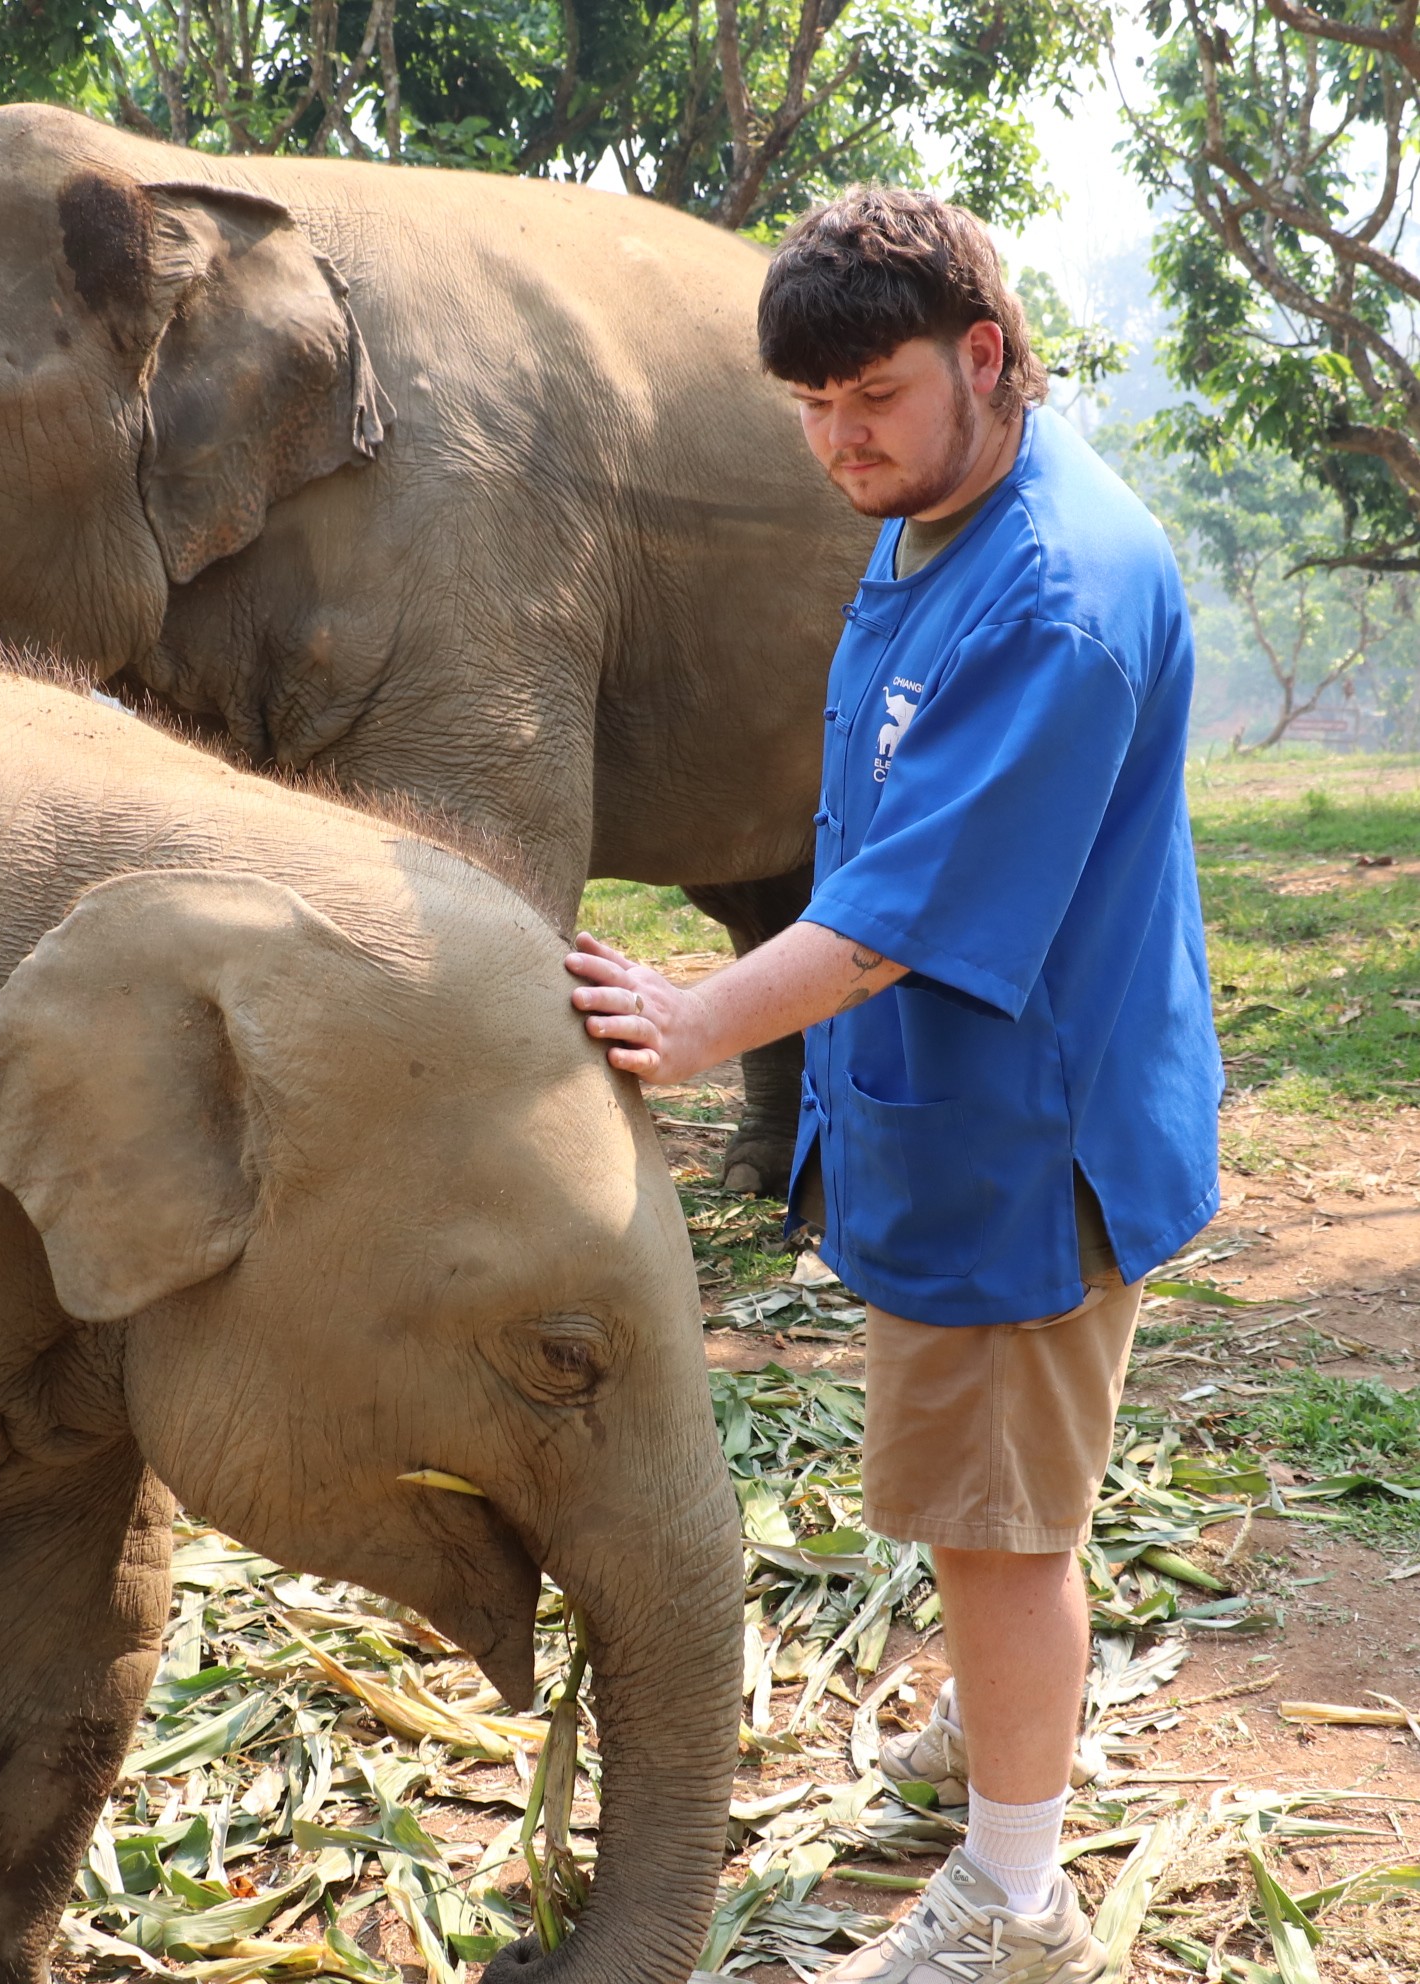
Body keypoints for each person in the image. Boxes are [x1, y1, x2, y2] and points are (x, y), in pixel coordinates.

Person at [566, 187, 1222, 1984]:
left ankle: (1019, 1896)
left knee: (1002, 1529)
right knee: (973, 1500)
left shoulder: (1058, 595)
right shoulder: (948, 505)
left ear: (986, 355)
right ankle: (998, 1746)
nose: (836, 441)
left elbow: (896, 913)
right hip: (958, 1119)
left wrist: (698, 1021)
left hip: (1029, 1136)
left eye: (871, 397)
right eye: (814, 407)